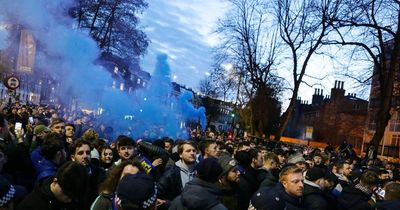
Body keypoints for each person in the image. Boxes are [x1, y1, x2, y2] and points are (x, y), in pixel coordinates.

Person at [16, 161, 89, 210]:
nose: (69, 200)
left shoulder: (75, 197)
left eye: (73, 197)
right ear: (55, 181)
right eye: (66, 194)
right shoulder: (30, 206)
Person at [157, 141, 197, 206]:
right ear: (180, 155)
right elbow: (158, 192)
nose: (192, 153)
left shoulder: (201, 170)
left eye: (194, 151)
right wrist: (167, 203)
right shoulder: (171, 173)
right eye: (188, 151)